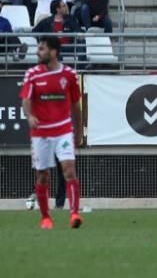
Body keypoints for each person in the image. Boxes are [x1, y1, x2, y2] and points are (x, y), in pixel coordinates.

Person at [22, 36, 84, 230]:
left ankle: (74, 213)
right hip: (41, 133)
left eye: (41, 49)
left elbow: (76, 105)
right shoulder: (32, 74)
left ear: (54, 52)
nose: (37, 52)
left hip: (63, 130)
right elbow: (26, 99)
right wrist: (29, 116)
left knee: (69, 170)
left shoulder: (69, 75)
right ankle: (46, 217)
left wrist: (79, 130)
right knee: (43, 175)